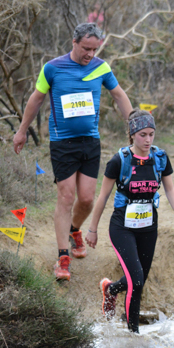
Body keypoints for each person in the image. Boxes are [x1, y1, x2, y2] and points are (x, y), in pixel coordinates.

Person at [13, 22, 132, 281]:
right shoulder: (52, 68)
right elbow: (36, 98)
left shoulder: (101, 67)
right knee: (66, 197)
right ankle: (62, 258)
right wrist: (22, 131)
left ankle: (74, 229)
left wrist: (134, 124)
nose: (90, 54)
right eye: (86, 48)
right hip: (62, 143)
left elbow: (119, 95)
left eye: (94, 49)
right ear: (74, 42)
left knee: (87, 199)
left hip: (90, 141)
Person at [84, 110, 174, 333]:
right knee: (137, 280)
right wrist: (92, 230)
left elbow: (170, 189)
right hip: (122, 227)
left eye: (151, 134)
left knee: (138, 280)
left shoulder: (160, 158)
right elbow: (102, 197)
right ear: (132, 134)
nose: (148, 140)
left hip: (148, 227)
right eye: (143, 135)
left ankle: (111, 289)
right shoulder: (119, 160)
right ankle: (134, 335)